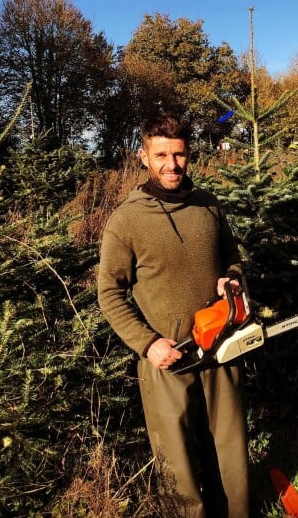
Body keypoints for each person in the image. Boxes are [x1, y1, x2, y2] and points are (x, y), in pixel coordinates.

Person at [97, 114, 249, 517]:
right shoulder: (126, 221)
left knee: (230, 453)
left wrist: (231, 280)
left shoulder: (208, 206)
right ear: (143, 157)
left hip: (221, 347)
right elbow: (109, 294)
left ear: (189, 155)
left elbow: (232, 259)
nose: (171, 164)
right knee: (176, 466)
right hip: (167, 358)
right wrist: (148, 345)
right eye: (161, 155)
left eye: (179, 154)